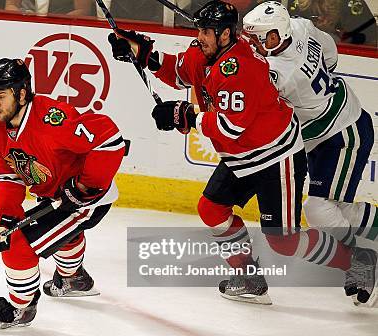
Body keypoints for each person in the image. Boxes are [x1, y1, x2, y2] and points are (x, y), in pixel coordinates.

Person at [107, 0, 371, 305]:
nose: (200, 37)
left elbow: (230, 126)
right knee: (211, 209)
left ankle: (357, 262)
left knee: (283, 242)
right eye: (200, 30)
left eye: (207, 31)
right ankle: (249, 277)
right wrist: (143, 54)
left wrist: (185, 114)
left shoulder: (241, 68)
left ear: (225, 35)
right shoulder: (207, 50)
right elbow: (180, 70)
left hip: (276, 158)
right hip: (242, 156)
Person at [242, 1, 377, 305]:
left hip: (344, 133)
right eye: (253, 37)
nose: (258, 44)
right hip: (326, 132)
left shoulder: (280, 73)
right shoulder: (301, 26)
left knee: (319, 209)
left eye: (263, 37)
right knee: (336, 210)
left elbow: (255, 97)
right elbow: (330, 53)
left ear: (280, 32)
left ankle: (361, 258)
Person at [0, 58, 125, 329]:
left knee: (18, 244)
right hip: (53, 195)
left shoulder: (52, 120)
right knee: (57, 235)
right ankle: (73, 279)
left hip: (89, 200)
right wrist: (3, 219)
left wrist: (83, 188)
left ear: (21, 94)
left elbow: (110, 139)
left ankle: (21, 308)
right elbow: (8, 174)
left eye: (1, 96)